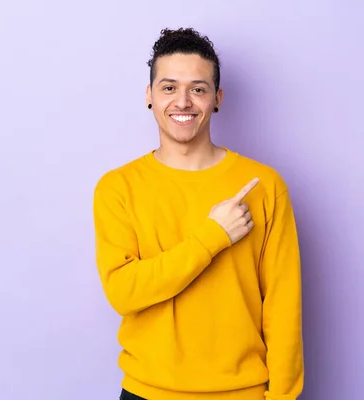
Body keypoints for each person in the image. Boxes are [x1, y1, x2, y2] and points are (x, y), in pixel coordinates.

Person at [92, 27, 304, 400]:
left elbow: (284, 306)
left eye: (199, 88)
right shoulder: (117, 187)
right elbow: (124, 292)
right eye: (169, 87)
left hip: (241, 393)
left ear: (217, 98)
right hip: (147, 392)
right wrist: (212, 237)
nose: (183, 101)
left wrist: (284, 396)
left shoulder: (264, 185)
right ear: (150, 96)